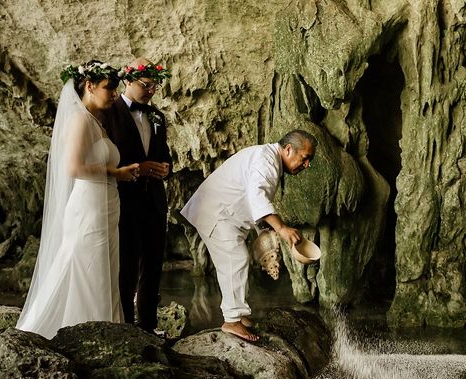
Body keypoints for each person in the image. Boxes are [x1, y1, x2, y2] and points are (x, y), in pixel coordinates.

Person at [17, 60, 140, 339]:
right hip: (89, 206)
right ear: (89, 86)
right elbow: (73, 168)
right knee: (87, 266)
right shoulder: (80, 120)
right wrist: (115, 172)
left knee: (105, 268)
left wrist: (119, 175)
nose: (112, 94)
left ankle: (108, 328)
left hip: (106, 204)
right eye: (108, 88)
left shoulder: (97, 121)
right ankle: (83, 332)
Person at [180, 130, 317, 341]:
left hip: (222, 214)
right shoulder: (266, 159)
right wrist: (281, 228)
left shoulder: (267, 158)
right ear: (289, 149)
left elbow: (251, 197)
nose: (307, 164)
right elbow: (257, 196)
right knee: (235, 260)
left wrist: (267, 227)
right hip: (216, 213)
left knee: (237, 260)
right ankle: (231, 321)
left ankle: (239, 316)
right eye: (305, 158)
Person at [102, 57, 172, 332]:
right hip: (124, 200)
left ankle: (148, 325)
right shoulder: (109, 112)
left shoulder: (158, 116)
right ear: (128, 81)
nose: (152, 90)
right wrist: (137, 169)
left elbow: (163, 154)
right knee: (126, 266)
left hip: (154, 201)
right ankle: (126, 326)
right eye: (146, 84)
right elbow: (104, 160)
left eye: (156, 85)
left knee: (153, 265)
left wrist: (166, 169)